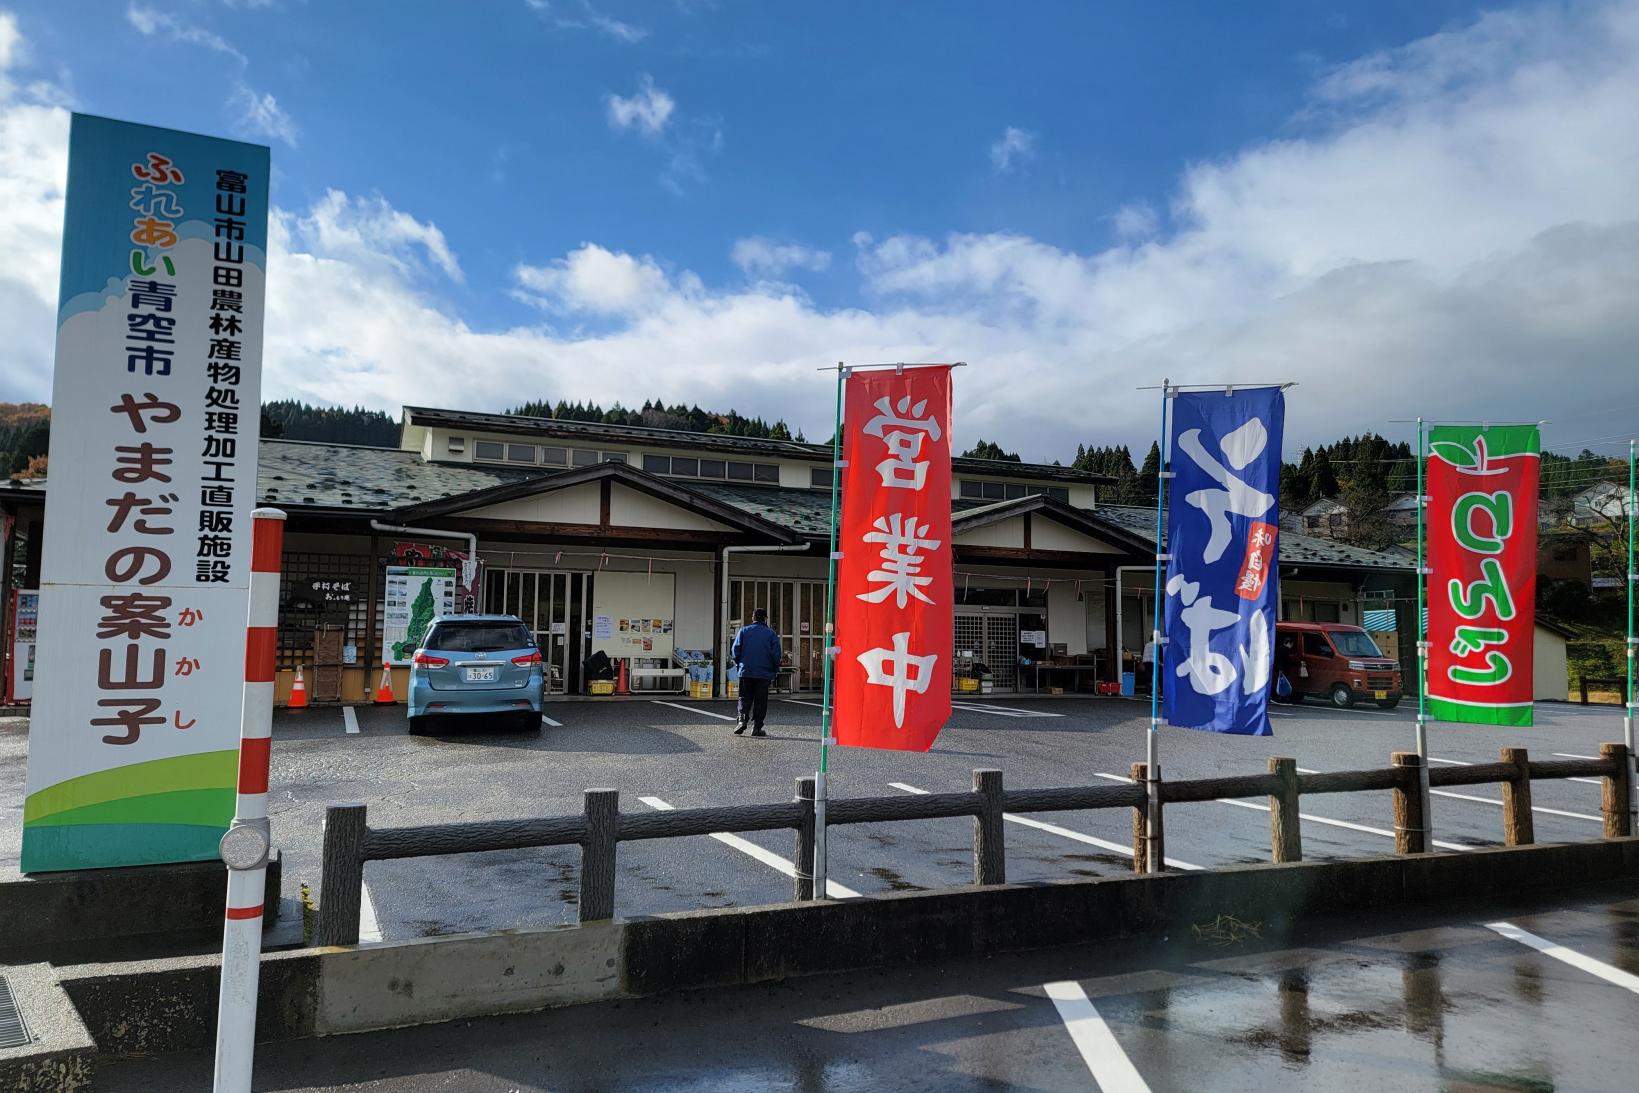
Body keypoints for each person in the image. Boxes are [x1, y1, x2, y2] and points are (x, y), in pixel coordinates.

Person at [730, 607, 781, 737]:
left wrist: (740, 664)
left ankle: (742, 720)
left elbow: (735, 651)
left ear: (753, 618)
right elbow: (776, 655)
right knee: (760, 700)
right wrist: (775, 670)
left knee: (744, 697)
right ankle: (757, 727)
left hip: (746, 671)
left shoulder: (743, 631)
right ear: (765, 619)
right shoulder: (771, 634)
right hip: (764, 674)